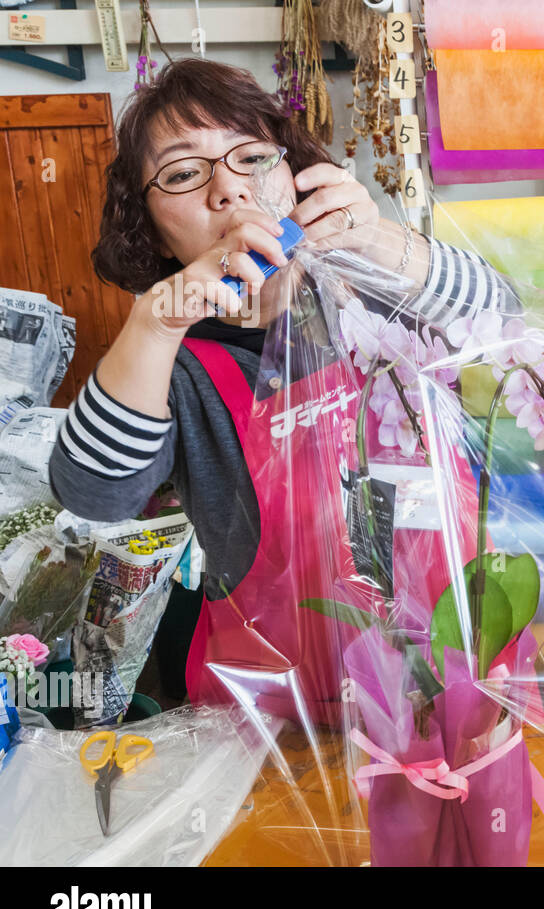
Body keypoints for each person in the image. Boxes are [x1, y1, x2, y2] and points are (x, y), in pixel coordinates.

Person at [49, 58, 515, 713]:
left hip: (452, 678)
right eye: (184, 173)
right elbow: (94, 493)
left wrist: (378, 239)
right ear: (152, 229)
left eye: (252, 157)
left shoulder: (378, 297)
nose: (228, 189)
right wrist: (153, 324)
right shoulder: (175, 371)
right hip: (279, 708)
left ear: (294, 178)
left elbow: (504, 319)